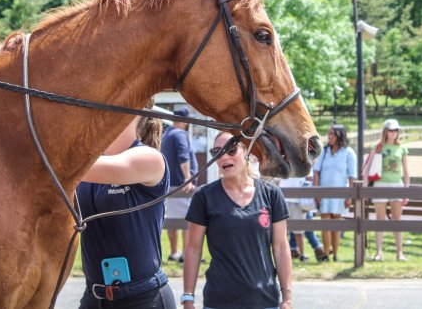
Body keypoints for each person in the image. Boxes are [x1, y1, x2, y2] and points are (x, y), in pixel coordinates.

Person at [76, 103, 177, 308]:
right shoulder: (90, 164)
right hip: (95, 297)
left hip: (143, 298)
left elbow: (64, 166)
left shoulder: (149, 158)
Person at [182, 131, 293, 309]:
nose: (224, 156)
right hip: (219, 301)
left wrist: (287, 297)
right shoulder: (204, 196)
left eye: (231, 150)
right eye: (217, 152)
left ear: (247, 152)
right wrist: (188, 298)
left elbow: (281, 247)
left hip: (265, 300)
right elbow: (193, 249)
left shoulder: (271, 194)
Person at [363, 118, 410, 262]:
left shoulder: (402, 148)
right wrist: (365, 189)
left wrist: (406, 192)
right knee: (380, 220)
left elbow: (406, 172)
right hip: (380, 184)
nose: (393, 132)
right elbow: (366, 169)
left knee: (397, 220)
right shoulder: (377, 146)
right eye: (391, 130)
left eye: (396, 130)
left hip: (396, 184)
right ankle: (378, 252)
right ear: (385, 131)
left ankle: (400, 252)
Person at [313, 124, 356, 262]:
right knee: (325, 224)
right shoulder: (323, 152)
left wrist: (349, 196)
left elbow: (351, 177)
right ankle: (326, 254)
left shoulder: (348, 153)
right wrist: (316, 192)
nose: (329, 136)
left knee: (336, 225)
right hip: (324, 192)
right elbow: (316, 173)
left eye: (332, 134)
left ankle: (336, 254)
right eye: (329, 134)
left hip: (340, 194)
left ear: (339, 135)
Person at [161, 106, 196, 262]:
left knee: (173, 221)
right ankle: (186, 255)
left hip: (170, 184)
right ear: (183, 121)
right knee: (186, 221)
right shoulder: (180, 134)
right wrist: (188, 177)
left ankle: (175, 252)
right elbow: (183, 155)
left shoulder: (167, 134)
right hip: (182, 185)